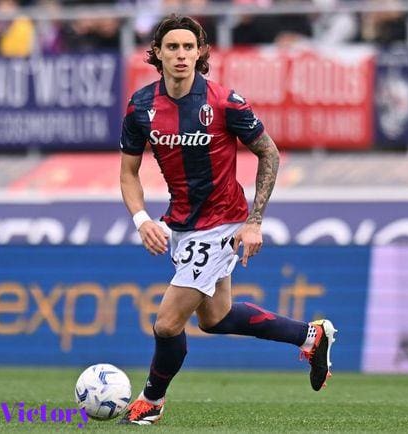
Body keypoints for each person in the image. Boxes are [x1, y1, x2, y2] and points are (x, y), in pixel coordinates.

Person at [118, 14, 337, 425]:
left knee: (167, 323)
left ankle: (151, 402)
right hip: (182, 225)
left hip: (222, 223)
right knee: (216, 318)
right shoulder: (141, 107)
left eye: (188, 47)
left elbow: (269, 153)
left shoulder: (224, 102)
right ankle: (311, 336)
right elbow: (128, 174)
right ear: (158, 54)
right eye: (172, 47)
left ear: (201, 52)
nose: (181, 55)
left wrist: (254, 222)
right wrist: (141, 220)